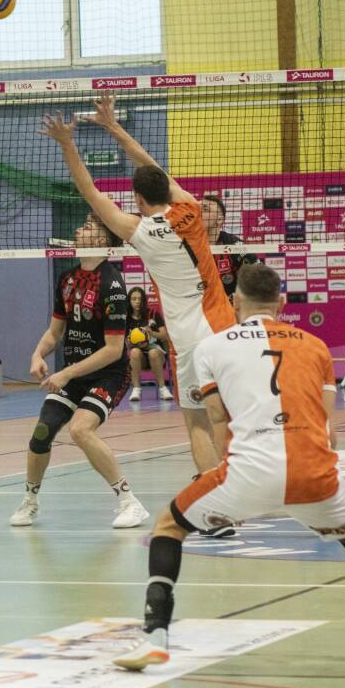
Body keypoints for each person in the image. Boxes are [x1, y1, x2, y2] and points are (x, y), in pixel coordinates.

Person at [114, 263, 345, 669]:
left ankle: (155, 634)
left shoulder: (211, 348)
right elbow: (328, 429)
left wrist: (232, 494)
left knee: (168, 527)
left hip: (248, 473)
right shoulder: (315, 346)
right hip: (314, 473)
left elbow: (218, 421)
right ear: (281, 302)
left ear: (235, 301)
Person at [43, 96, 232, 483]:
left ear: (138, 200)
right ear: (168, 190)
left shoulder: (137, 230)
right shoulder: (192, 209)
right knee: (229, 415)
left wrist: (67, 143)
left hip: (188, 339)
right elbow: (151, 166)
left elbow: (88, 190)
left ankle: (214, 493)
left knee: (197, 422)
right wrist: (114, 127)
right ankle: (245, 481)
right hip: (223, 327)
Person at [14, 216, 147, 529]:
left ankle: (130, 502)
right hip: (74, 374)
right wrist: (37, 354)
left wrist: (66, 374)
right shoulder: (67, 278)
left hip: (109, 375)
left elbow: (113, 350)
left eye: (87, 228)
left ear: (101, 241)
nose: (77, 230)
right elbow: (54, 332)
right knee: (43, 431)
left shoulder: (112, 284)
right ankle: (30, 501)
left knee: (80, 429)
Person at [201, 194, 256, 298]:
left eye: (205, 209)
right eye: (197, 209)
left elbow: (259, 275)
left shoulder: (234, 245)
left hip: (228, 305)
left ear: (219, 220)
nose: (198, 213)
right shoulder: (183, 245)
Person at [125, 286, 172, 402]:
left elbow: (165, 335)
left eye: (140, 299)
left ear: (144, 300)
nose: (137, 301)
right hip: (140, 358)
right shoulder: (126, 318)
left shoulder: (153, 314)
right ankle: (136, 389)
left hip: (157, 354)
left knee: (153, 352)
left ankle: (163, 388)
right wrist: (131, 343)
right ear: (129, 301)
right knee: (134, 352)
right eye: (134, 299)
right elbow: (126, 344)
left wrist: (152, 333)